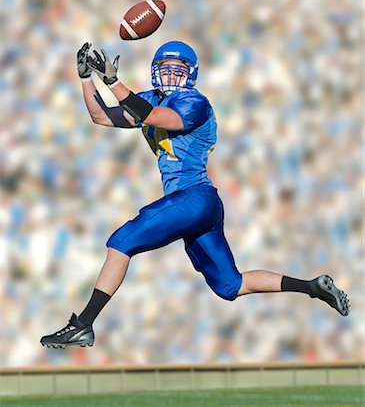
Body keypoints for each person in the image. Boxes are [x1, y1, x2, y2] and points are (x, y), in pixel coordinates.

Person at [40, 41, 350, 349]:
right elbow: (102, 116)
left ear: (191, 74)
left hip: (194, 197)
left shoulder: (194, 102)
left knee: (120, 243)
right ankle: (312, 286)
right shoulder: (149, 100)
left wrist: (112, 82)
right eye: (165, 70)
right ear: (154, 71)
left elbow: (158, 118)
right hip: (199, 206)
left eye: (178, 70)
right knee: (231, 285)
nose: (171, 76)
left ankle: (83, 325)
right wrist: (86, 78)